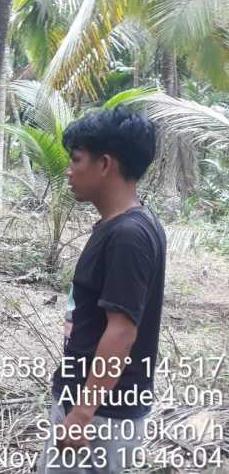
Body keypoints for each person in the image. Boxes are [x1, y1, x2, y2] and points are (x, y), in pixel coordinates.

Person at [38, 107, 165, 474]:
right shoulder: (121, 226)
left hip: (103, 412)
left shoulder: (128, 236)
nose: (69, 170)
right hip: (94, 402)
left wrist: (81, 413)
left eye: (76, 159)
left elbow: (122, 330)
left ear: (105, 164)